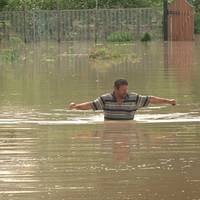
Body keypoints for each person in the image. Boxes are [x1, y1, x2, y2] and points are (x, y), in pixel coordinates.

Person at [69, 79, 176, 120]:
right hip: (110, 126)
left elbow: (151, 99)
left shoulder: (134, 98)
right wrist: (76, 107)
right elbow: (90, 105)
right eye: (123, 90)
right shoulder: (105, 99)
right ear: (115, 89)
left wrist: (168, 101)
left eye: (126, 90)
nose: (125, 92)